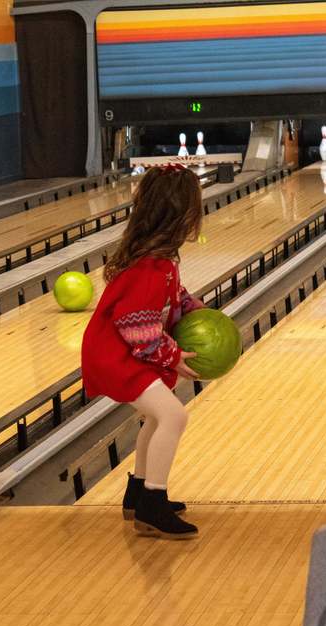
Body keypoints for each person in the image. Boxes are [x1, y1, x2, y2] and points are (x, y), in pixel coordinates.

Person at [81, 165, 204, 539]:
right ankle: (153, 503)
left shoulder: (162, 260)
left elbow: (173, 296)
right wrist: (173, 356)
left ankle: (137, 495)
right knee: (174, 416)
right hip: (116, 357)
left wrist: (195, 310)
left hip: (122, 352)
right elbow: (138, 328)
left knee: (157, 416)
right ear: (180, 215)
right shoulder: (149, 267)